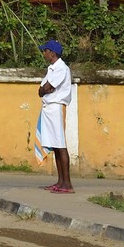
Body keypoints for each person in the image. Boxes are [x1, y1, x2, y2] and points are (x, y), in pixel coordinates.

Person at [37, 40, 75, 193]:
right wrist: (44, 90)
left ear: (52, 53)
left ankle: (67, 183)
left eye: (45, 51)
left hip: (56, 107)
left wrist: (44, 90)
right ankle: (60, 181)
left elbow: (47, 87)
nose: (44, 53)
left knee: (60, 144)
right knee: (55, 146)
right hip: (49, 107)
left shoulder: (61, 68)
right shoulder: (52, 68)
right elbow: (41, 90)